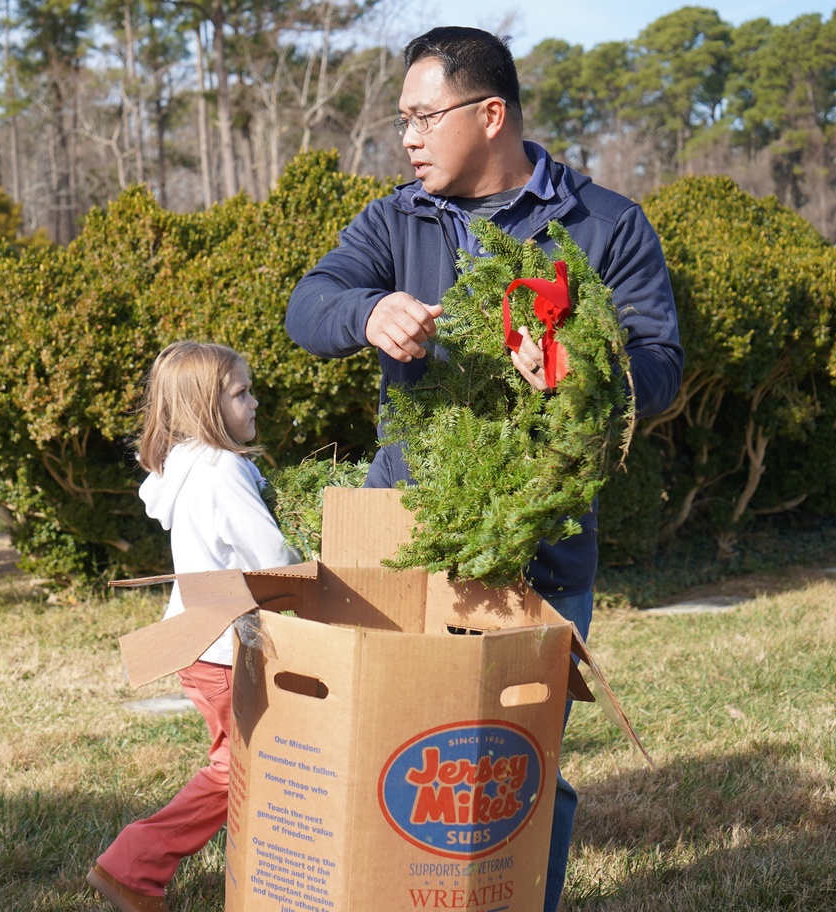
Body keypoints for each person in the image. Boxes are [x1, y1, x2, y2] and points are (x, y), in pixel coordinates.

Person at [285, 26, 684, 912]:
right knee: (391, 747)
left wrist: (575, 362)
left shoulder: (604, 223)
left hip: (540, 538)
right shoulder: (395, 219)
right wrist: (366, 311)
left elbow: (660, 366)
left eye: (425, 116)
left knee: (513, 759)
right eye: (403, 121)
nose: (410, 138)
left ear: (490, 113)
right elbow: (305, 307)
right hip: (402, 531)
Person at [87, 341, 297, 912]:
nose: (254, 403)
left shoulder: (184, 467)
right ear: (207, 406)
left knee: (244, 765)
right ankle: (132, 866)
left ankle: (256, 875)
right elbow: (271, 554)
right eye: (241, 393)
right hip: (227, 650)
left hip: (198, 646)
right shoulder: (223, 468)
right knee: (243, 767)